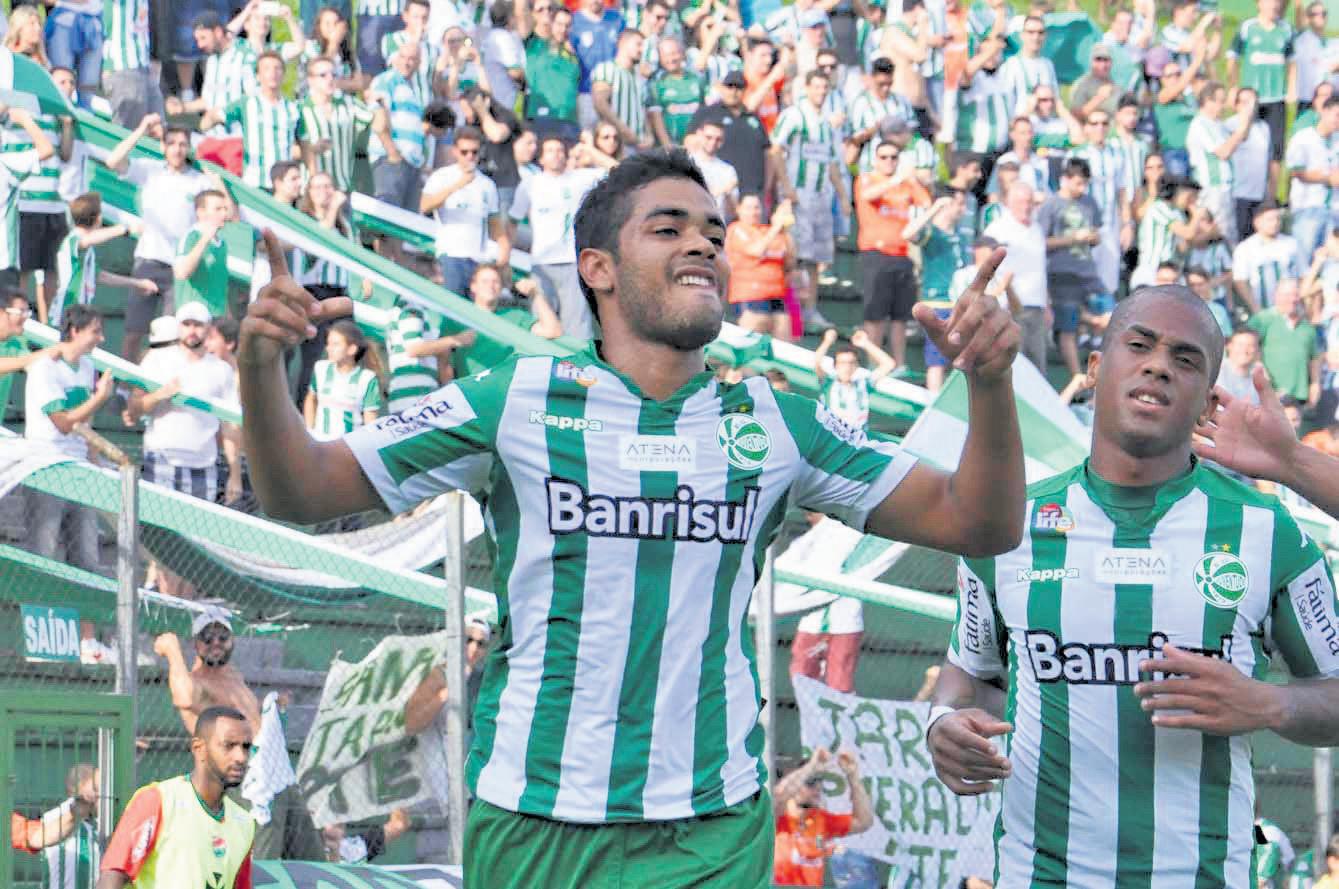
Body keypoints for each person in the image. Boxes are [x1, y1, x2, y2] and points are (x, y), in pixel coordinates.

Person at [236, 149, 1026, 887]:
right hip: (535, 823)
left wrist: (991, 382)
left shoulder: (779, 422)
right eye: (668, 228)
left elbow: (978, 523)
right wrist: (260, 365)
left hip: (712, 832)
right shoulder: (515, 399)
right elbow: (300, 489)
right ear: (598, 269)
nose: (703, 244)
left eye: (713, 232)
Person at [929, 283, 1339, 887]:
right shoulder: (1006, 523)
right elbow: (971, 678)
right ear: (1095, 369)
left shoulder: (1268, 531)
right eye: (1140, 345)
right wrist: (943, 723)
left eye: (1185, 359)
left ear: (1208, 402)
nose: (1158, 365)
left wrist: (1268, 703)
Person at [97, 706, 255, 889]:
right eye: (229, 745)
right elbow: (112, 877)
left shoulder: (244, 822)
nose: (241, 757)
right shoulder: (157, 800)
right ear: (199, 748)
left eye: (246, 747)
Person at [104, 117, 213, 362]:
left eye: (182, 144)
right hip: (148, 260)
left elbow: (221, 207)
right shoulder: (150, 170)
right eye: (171, 143)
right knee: (134, 332)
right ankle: (124, 382)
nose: (177, 149)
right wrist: (142, 129)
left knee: (170, 336)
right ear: (163, 146)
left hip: (179, 268)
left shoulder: (199, 181)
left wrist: (211, 173)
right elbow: (113, 161)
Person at [24, 305, 112, 573]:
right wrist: (99, 398)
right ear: (74, 331)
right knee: (44, 553)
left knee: (86, 557)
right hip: (46, 467)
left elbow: (84, 420)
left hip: (80, 469)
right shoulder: (45, 368)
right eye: (95, 332)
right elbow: (62, 423)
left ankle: (83, 601)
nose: (101, 338)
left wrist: (93, 457)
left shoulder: (87, 365)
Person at [130, 301, 243, 508]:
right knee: (158, 525)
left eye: (198, 325)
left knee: (199, 527)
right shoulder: (156, 359)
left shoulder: (221, 370)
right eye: (186, 324)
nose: (192, 330)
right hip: (161, 459)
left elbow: (230, 426)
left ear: (208, 329)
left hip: (204, 465)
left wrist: (235, 475)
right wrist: (160, 395)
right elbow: (133, 410)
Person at [773, 70, 848, 333]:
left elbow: (832, 163)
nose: (821, 92)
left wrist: (842, 196)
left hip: (822, 196)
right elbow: (776, 149)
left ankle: (810, 310)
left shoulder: (827, 124)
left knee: (817, 258)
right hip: (798, 194)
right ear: (806, 88)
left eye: (824, 87)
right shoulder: (794, 115)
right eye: (816, 86)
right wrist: (786, 187)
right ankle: (792, 312)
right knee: (795, 256)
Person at [508, 136, 603, 339]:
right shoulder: (530, 184)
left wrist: (590, 149)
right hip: (541, 263)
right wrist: (504, 259)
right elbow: (512, 222)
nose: (556, 154)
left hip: (572, 262)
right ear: (541, 158)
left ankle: (578, 361)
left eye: (560, 150)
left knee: (577, 328)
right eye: (550, 150)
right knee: (543, 323)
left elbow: (617, 169)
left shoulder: (580, 179)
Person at [853, 140, 928, 369]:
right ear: (875, 160)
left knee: (900, 316)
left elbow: (926, 203)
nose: (889, 161)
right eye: (883, 157)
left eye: (894, 157)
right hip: (876, 253)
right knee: (875, 314)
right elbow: (868, 195)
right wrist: (897, 179)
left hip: (902, 253)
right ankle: (874, 364)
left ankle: (899, 364)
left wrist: (911, 178)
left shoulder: (906, 184)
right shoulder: (867, 179)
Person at [420, 127, 512, 297]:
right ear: (455, 151)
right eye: (464, 152)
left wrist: (504, 246)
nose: (470, 156)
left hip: (478, 259)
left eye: (474, 152)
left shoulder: (487, 185)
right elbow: (425, 206)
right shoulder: (441, 176)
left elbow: (494, 225)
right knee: (451, 303)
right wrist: (458, 185)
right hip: (450, 254)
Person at [1037, 158, 1104, 381]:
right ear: (1064, 179)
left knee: (1109, 316)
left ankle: (1099, 375)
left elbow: (1097, 235)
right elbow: (1041, 242)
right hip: (1061, 272)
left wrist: (1092, 237)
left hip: (1088, 271)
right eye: (1078, 183)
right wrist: (1074, 238)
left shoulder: (1090, 203)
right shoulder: (1051, 205)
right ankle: (1078, 378)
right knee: (1068, 327)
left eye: (1085, 183)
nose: (1082, 188)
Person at [51, 194, 157, 330]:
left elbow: (100, 276)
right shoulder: (73, 240)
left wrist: (138, 283)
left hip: (79, 311)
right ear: (98, 218)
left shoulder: (87, 251)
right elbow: (85, 240)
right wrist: (125, 229)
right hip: (66, 312)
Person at [771, 749, 873, 888]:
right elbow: (779, 795)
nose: (818, 788)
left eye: (820, 782)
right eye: (811, 783)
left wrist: (853, 776)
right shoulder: (778, 817)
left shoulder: (820, 820)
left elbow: (863, 821)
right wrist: (812, 766)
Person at [200, 52, 301, 189]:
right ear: (258, 76)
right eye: (266, 68)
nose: (273, 73)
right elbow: (213, 119)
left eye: (277, 68)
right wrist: (209, 119)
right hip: (254, 182)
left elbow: (302, 143)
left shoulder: (293, 108)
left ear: (283, 74)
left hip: (284, 186)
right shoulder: (247, 103)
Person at [904, 190, 972, 392]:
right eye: (959, 204)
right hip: (938, 302)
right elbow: (907, 234)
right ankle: (933, 399)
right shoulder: (931, 232)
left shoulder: (960, 236)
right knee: (936, 359)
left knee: (961, 358)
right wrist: (934, 208)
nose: (963, 210)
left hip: (959, 303)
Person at [297, 56, 390, 195]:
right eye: (323, 75)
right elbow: (290, 149)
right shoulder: (300, 109)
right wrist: (312, 149)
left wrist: (377, 103)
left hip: (342, 187)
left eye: (334, 75)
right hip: (312, 190)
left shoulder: (349, 104)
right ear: (311, 80)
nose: (330, 79)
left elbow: (378, 125)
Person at [985, 181, 1049, 373]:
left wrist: (1048, 305)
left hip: (1036, 306)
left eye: (1030, 202)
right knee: (1013, 364)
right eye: (1021, 202)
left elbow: (1041, 269)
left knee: (1037, 367)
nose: (1026, 206)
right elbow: (986, 265)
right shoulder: (997, 229)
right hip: (1008, 307)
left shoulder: (1037, 229)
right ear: (1008, 202)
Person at [1186, 81, 1255, 247]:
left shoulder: (1217, 124)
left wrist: (1246, 115)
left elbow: (1242, 137)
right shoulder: (1200, 124)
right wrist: (1241, 129)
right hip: (1212, 188)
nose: (1224, 106)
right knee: (1218, 234)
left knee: (1229, 234)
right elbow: (1223, 152)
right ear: (1207, 101)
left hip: (1225, 188)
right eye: (1221, 101)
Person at [687, 71, 772, 201]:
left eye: (738, 87)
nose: (733, 91)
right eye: (729, 86)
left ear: (745, 91)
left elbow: (768, 152)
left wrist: (768, 186)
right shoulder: (707, 113)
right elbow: (690, 144)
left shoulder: (753, 118)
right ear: (721, 88)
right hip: (718, 190)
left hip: (752, 193)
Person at [404, 616, 495, 736]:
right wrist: (445, 693)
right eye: (468, 640)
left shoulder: (480, 679)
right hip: (434, 748)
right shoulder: (438, 675)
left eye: (481, 644)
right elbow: (411, 725)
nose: (474, 648)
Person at [726, 194, 796, 340]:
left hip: (777, 295)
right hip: (750, 295)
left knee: (784, 342)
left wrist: (785, 230)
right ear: (739, 209)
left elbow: (790, 261)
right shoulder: (736, 229)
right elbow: (756, 250)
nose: (753, 212)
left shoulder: (768, 231)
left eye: (757, 207)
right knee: (750, 344)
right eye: (748, 208)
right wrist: (776, 227)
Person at [1284, 94, 1339, 276]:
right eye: (1337, 115)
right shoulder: (1303, 138)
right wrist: (1327, 178)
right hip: (1308, 208)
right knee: (1304, 261)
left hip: (1334, 209)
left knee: (1330, 263)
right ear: (1324, 111)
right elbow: (1296, 171)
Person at [305, 319, 383, 441]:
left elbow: (370, 420)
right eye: (328, 344)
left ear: (352, 349)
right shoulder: (321, 368)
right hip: (319, 442)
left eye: (335, 344)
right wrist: (309, 430)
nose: (329, 348)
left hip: (349, 445)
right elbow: (311, 398)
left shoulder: (367, 378)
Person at [1249, 278, 1320, 405]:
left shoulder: (1307, 326)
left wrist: (1315, 383)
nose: (1292, 299)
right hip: (1270, 392)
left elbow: (1314, 357)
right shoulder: (1263, 319)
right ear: (1276, 296)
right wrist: (1261, 372)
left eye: (1295, 295)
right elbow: (1247, 345)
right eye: (1287, 295)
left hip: (1300, 394)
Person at [813, 328, 896, 433]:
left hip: (858, 438)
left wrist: (866, 343)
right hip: (832, 436)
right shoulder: (828, 383)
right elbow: (816, 362)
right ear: (835, 366)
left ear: (857, 365)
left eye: (851, 363)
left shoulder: (863, 383)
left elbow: (889, 364)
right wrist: (827, 341)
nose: (847, 367)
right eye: (842, 363)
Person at [173, 191, 232, 322]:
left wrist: (227, 314)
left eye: (225, 209)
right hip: (194, 319)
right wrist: (205, 239)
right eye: (218, 209)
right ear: (201, 212)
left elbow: (220, 283)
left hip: (216, 318)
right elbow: (181, 273)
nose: (224, 214)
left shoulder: (222, 244)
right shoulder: (191, 237)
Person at [1232, 202, 1299, 316]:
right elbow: (1240, 281)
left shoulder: (1292, 244)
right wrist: (1255, 309)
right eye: (1269, 219)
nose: (1275, 223)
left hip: (1290, 310)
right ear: (1256, 222)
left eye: (1277, 219)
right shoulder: (1245, 248)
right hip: (1261, 309)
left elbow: (1302, 275)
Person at [524, 6, 580, 141]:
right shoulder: (535, 45)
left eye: (568, 25)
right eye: (559, 24)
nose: (563, 29)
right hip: (541, 117)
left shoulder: (572, 54)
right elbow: (522, 13)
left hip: (569, 121)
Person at [647, 37, 706, 148]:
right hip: (671, 147)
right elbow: (656, 116)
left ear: (683, 54)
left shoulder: (697, 79)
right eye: (665, 55)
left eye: (674, 53)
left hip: (697, 145)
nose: (670, 59)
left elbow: (705, 111)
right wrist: (668, 146)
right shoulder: (657, 83)